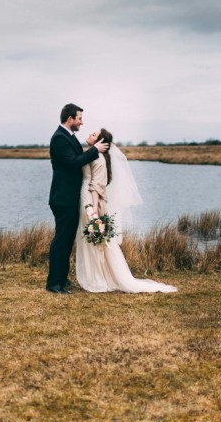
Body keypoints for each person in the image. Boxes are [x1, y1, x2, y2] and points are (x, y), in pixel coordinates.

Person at [75, 128, 177, 293]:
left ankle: (99, 278)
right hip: (85, 196)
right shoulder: (93, 154)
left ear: (101, 142)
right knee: (90, 238)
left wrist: (93, 210)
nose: (89, 135)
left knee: (94, 239)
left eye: (93, 135)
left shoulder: (98, 158)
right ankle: (94, 275)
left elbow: (97, 187)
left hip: (89, 200)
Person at [46, 103, 108, 293]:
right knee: (61, 241)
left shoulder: (69, 137)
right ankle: (54, 284)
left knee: (67, 241)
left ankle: (62, 280)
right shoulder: (59, 138)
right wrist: (95, 150)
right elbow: (73, 163)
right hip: (63, 198)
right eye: (79, 118)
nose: (82, 122)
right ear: (70, 118)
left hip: (71, 198)